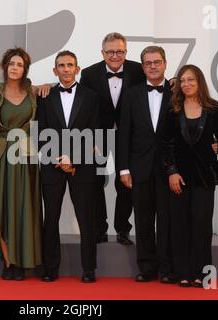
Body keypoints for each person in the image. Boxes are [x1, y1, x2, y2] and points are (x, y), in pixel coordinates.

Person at [163, 64, 218, 287]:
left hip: (204, 176)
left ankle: (202, 274)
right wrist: (171, 171)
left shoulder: (213, 108)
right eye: (182, 80)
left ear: (199, 81)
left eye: (190, 80)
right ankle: (183, 272)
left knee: (202, 226)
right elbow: (166, 144)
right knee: (180, 225)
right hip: (179, 177)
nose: (186, 84)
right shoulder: (173, 108)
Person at [36, 51, 100, 283]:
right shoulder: (44, 96)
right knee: (50, 218)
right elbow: (40, 132)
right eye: (61, 65)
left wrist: (73, 160)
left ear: (77, 68)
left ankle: (89, 269)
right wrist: (58, 159)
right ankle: (50, 269)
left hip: (82, 166)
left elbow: (95, 133)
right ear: (55, 70)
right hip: (52, 166)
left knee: (86, 218)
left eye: (69, 65)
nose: (65, 69)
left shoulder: (91, 97)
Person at [0, 48, 45, 281]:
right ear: (4, 66)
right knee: (4, 207)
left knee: (25, 209)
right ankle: (10, 263)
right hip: (1, 157)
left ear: (25, 69)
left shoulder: (33, 92)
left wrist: (47, 84)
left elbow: (53, 89)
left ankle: (26, 260)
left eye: (19, 64)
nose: (14, 67)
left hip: (26, 158)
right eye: (11, 63)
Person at [80, 32, 145, 245]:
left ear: (126, 52)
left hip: (130, 136)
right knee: (95, 182)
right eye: (110, 51)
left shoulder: (138, 70)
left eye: (120, 51)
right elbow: (85, 108)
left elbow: (156, 83)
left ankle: (123, 229)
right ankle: (99, 228)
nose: (115, 55)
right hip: (99, 136)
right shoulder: (89, 74)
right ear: (102, 52)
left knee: (126, 182)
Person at [118, 46, 175, 284]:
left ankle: (167, 268)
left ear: (165, 64)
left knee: (167, 220)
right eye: (148, 63)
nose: (153, 66)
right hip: (139, 167)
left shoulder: (176, 93)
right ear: (142, 67)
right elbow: (124, 134)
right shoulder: (131, 94)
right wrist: (124, 168)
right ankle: (147, 267)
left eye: (157, 62)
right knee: (142, 220)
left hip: (169, 168)